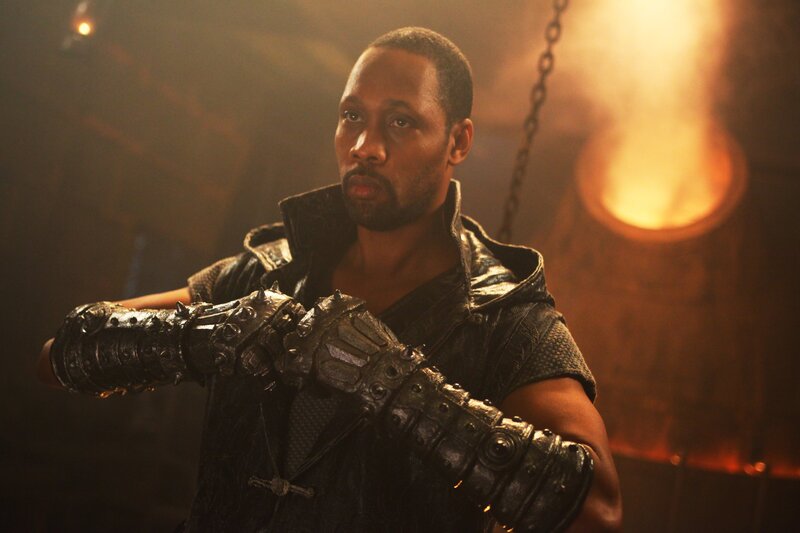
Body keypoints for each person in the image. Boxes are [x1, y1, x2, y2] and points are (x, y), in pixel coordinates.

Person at [39, 27, 621, 532]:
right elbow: (56, 356)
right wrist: (206, 332)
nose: (365, 147)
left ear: (458, 141)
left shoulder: (501, 312)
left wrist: (393, 383)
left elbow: (597, 511)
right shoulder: (271, 269)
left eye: (401, 121)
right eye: (352, 117)